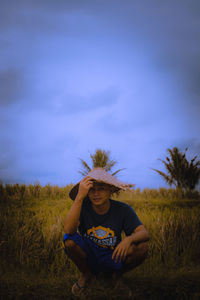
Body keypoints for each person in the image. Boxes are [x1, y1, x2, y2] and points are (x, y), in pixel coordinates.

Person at [63, 168, 149, 297]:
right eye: (92, 189)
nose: (96, 193)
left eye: (101, 188)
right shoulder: (82, 207)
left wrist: (128, 239)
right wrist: (79, 197)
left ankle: (116, 275)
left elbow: (144, 233)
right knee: (69, 241)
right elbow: (69, 231)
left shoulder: (123, 209)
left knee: (142, 247)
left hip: (113, 254)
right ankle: (87, 275)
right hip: (90, 253)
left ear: (111, 190)